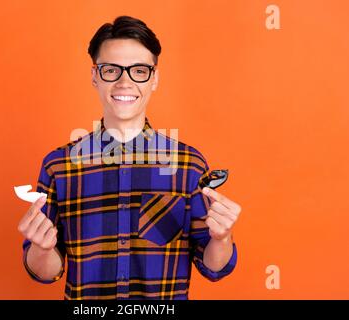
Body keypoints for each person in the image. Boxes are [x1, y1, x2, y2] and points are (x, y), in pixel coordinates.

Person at [17, 15, 242, 300]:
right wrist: (42, 248)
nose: (125, 82)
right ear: (95, 76)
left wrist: (222, 238)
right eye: (111, 70)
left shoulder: (189, 165)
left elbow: (214, 268)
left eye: (139, 70)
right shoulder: (58, 167)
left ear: (154, 79)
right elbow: (46, 273)